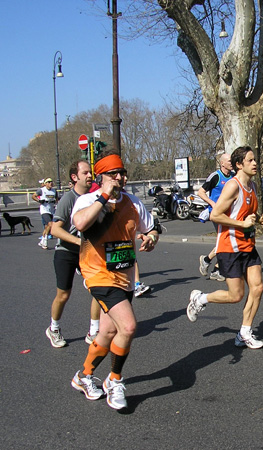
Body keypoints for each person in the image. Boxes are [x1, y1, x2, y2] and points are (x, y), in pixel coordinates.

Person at [70, 151, 158, 410]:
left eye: (121, 172)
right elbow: (82, 223)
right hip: (97, 274)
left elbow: (150, 228)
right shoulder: (87, 200)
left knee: (108, 331)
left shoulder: (132, 202)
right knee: (128, 327)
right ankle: (114, 381)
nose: (119, 177)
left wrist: (151, 239)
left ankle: (83, 376)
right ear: (101, 177)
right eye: (112, 174)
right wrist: (104, 196)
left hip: (124, 275)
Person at [187, 146, 263, 349]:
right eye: (250, 160)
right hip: (230, 247)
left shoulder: (253, 186)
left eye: (255, 160)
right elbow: (216, 214)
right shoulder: (233, 186)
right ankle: (200, 298)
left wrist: (261, 220)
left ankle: (244, 332)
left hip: (248, 245)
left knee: (258, 287)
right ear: (239, 165)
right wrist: (242, 224)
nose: (255, 164)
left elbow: (248, 213)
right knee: (236, 295)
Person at [45, 160, 101, 348]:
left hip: (86, 253)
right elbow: (55, 230)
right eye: (85, 173)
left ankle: (94, 331)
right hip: (67, 252)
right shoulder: (68, 199)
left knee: (98, 289)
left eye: (90, 173)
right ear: (74, 177)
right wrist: (79, 241)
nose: (89, 176)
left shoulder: (95, 197)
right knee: (63, 294)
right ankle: (53, 328)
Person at [197, 153, 234, 282]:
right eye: (229, 161)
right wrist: (212, 203)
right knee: (225, 241)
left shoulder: (234, 177)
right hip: (217, 213)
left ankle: (212, 265)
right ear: (222, 163)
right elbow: (200, 192)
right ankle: (211, 264)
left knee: (226, 241)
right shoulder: (216, 176)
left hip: (229, 214)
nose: (231, 163)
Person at [32, 178, 58, 249]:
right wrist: (39, 200)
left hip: (51, 209)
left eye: (51, 182)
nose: (50, 183)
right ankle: (45, 241)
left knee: (47, 227)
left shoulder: (54, 191)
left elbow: (57, 199)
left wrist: (57, 205)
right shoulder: (42, 190)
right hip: (44, 210)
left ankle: (42, 241)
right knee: (50, 224)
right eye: (48, 182)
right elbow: (33, 196)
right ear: (45, 183)